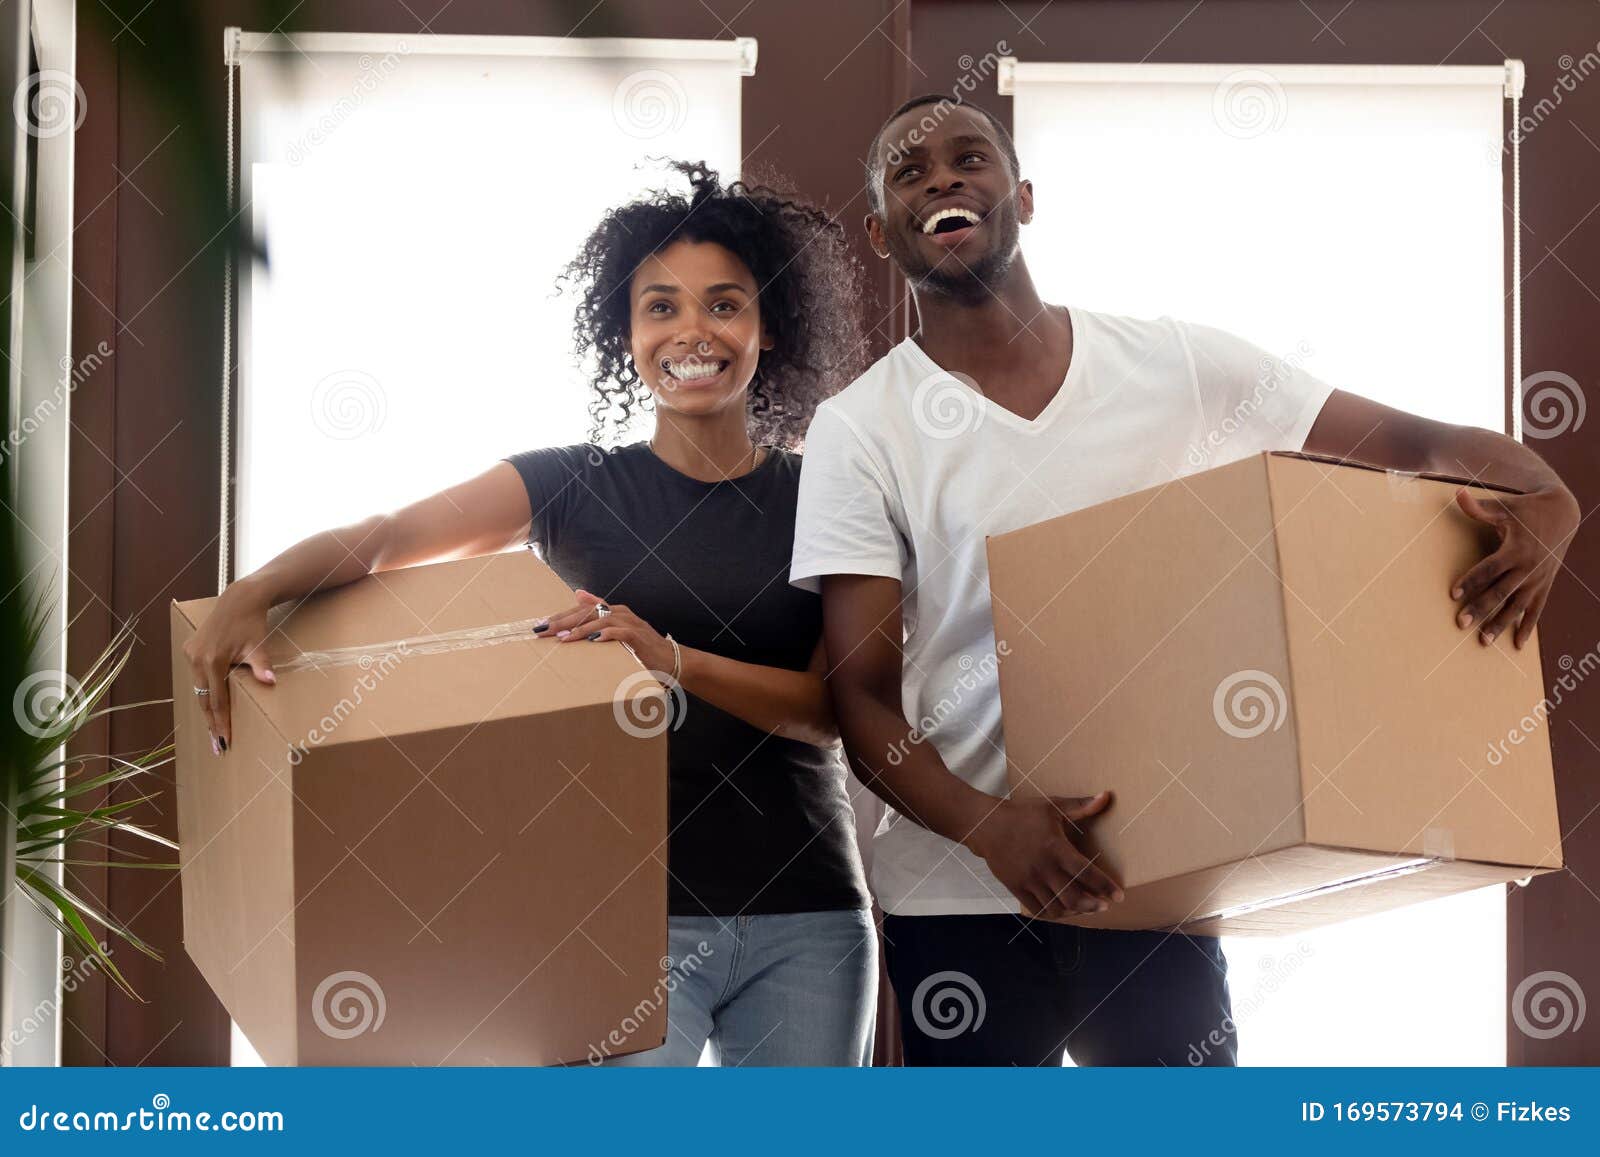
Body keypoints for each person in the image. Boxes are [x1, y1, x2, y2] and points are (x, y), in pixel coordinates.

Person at [789, 94, 1580, 1066]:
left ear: (1022, 196)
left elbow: (1416, 444)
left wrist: (1548, 494)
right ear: (880, 228)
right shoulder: (862, 427)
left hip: (1157, 879)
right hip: (959, 895)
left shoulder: (1177, 366)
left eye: (969, 158)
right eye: (909, 173)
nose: (944, 178)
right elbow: (859, 693)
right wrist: (991, 828)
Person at [185, 162, 877, 1067]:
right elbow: (391, 537)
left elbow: (834, 712)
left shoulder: (822, 492)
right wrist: (255, 591)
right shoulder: (571, 487)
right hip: (622, 919)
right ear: (624, 332)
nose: (691, 331)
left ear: (769, 326)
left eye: (725, 303)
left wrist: (673, 659)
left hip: (810, 913)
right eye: (660, 306)